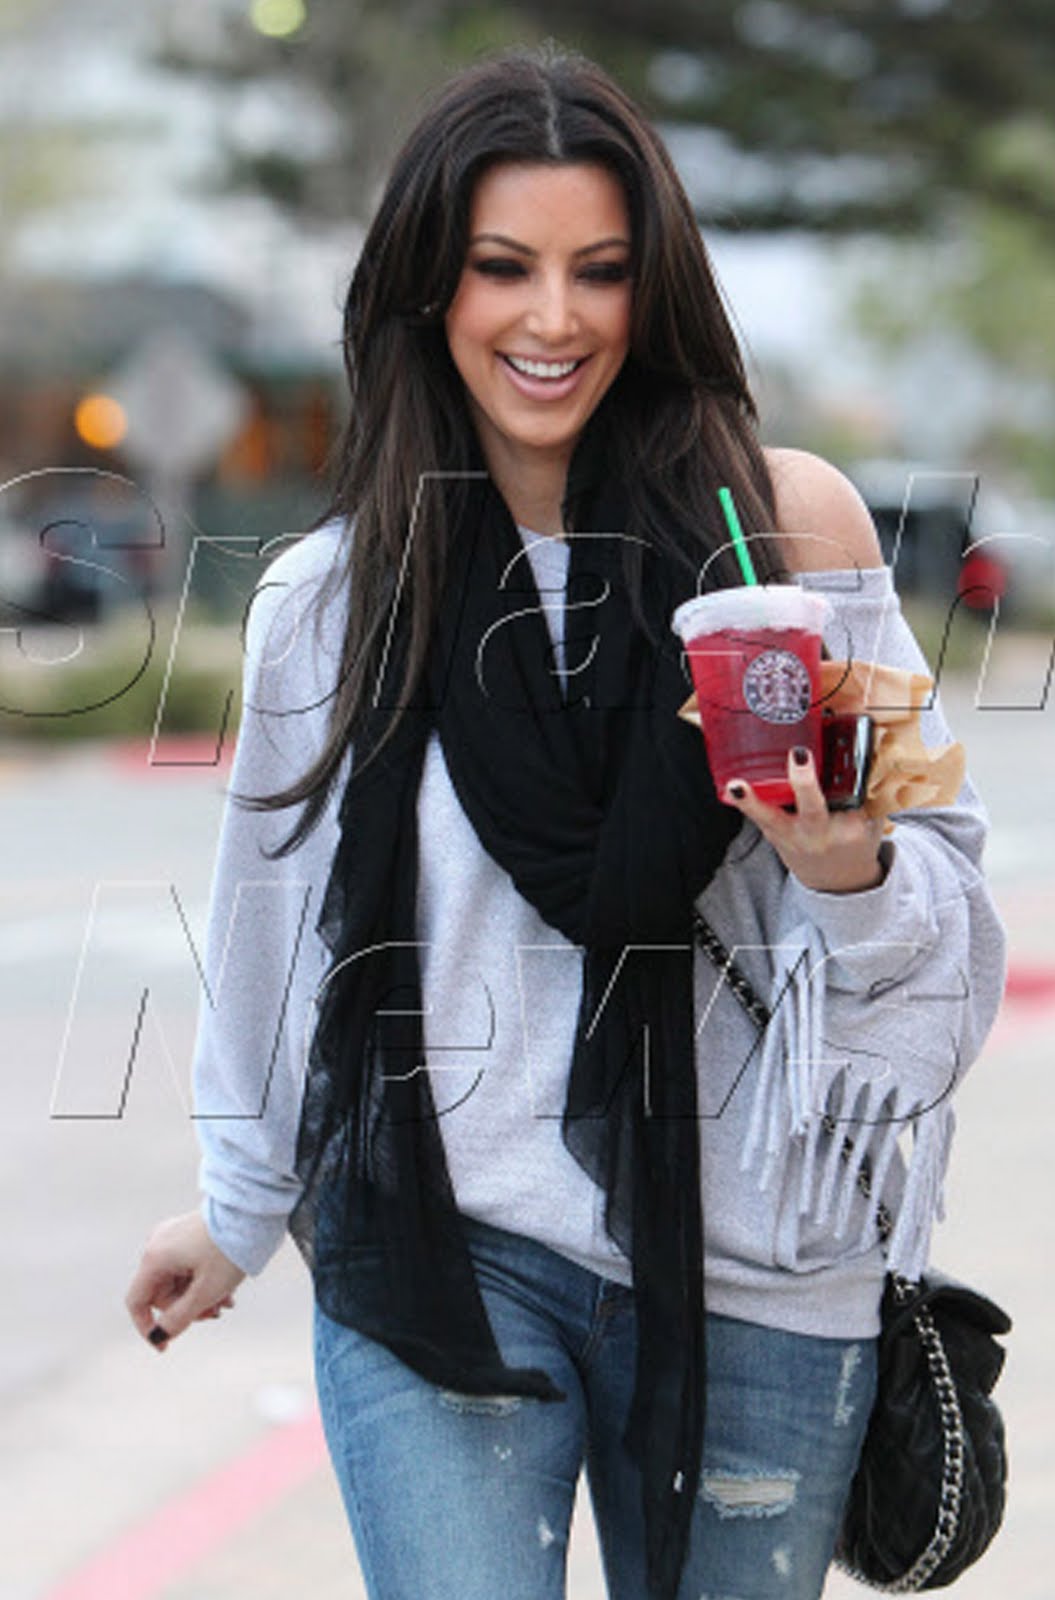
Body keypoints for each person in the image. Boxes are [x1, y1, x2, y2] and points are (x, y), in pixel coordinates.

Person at [125, 43, 1006, 1600]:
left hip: (759, 1267)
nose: (553, 319)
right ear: (429, 289)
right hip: (448, 1247)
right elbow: (273, 931)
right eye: (503, 268)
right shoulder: (333, 600)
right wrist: (239, 1207)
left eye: (600, 271)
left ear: (653, 292)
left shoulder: (787, 536)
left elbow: (947, 940)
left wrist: (848, 871)